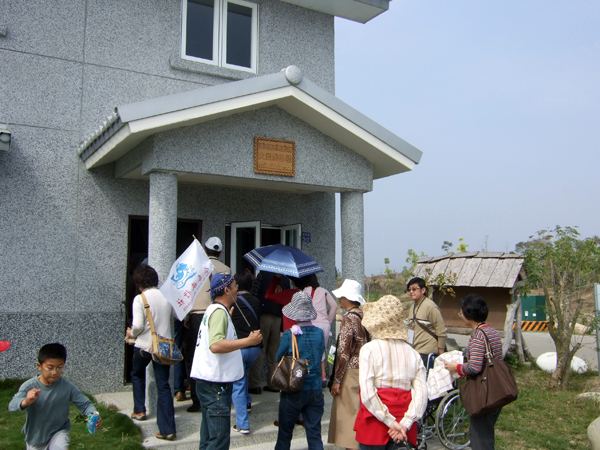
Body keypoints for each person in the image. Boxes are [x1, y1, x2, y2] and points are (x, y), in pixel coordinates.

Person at [190, 272, 262, 450]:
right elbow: (216, 345)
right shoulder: (218, 313)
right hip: (216, 386)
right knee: (218, 440)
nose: (237, 290)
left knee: (208, 438)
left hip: (208, 382)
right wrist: (249, 341)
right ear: (225, 290)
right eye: (234, 286)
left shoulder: (214, 310)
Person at [354, 295, 427, 449]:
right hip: (404, 424)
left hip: (375, 421)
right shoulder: (413, 354)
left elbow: (367, 392)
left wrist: (390, 422)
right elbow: (421, 395)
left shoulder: (369, 349)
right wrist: (404, 424)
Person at [8, 343, 102, 449]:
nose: (54, 372)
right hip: (36, 437)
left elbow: (85, 404)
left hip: (59, 431)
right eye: (50, 368)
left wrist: (93, 414)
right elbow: (12, 406)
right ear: (39, 366)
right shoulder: (29, 386)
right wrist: (26, 401)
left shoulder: (67, 386)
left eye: (59, 368)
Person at [444, 294, 503, 450]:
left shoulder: (478, 335)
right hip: (497, 389)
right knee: (486, 432)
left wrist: (456, 367)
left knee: (480, 436)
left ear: (468, 315)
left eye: (461, 312)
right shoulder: (492, 331)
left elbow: (475, 367)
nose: (460, 315)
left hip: (484, 392)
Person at [126, 264, 177, 440]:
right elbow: (177, 315)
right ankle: (167, 429)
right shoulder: (166, 296)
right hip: (163, 347)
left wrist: (130, 333)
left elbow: (138, 326)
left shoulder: (140, 299)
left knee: (137, 375)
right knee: (163, 385)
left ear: (139, 282)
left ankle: (139, 410)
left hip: (144, 347)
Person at [275, 291, 325, 450]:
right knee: (314, 434)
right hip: (316, 389)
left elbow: (279, 358)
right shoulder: (319, 332)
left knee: (284, 434)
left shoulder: (290, 334)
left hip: (293, 388)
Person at [185, 236, 230, 412]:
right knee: (215, 354)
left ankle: (197, 400)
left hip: (197, 316)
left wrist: (187, 317)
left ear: (205, 250)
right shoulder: (226, 269)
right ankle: (215, 395)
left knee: (194, 356)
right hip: (218, 313)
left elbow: (189, 292)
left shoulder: (196, 267)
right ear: (220, 252)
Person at [328, 279, 368, 450]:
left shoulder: (348, 318)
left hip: (350, 371)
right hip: (364, 367)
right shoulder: (363, 315)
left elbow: (344, 351)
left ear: (347, 297)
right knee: (358, 412)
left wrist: (337, 380)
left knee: (348, 417)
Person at [248, 271, 291, 395]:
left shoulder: (263, 274)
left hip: (263, 315)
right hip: (278, 317)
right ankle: (273, 384)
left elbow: (254, 295)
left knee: (260, 351)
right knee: (274, 353)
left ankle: (254, 385)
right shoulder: (285, 278)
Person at [231, 271, 262, 434]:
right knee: (244, 376)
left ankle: (242, 424)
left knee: (238, 384)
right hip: (254, 349)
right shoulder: (256, 301)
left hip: (239, 347)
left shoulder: (232, 302)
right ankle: (248, 402)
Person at [303, 273, 338, 386]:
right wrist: (328, 320)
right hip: (324, 325)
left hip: (311, 323)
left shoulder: (304, 291)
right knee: (322, 350)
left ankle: (316, 375)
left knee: (311, 350)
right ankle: (323, 375)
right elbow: (334, 306)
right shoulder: (324, 291)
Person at [406, 277, 447, 366]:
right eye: (409, 290)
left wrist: (441, 354)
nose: (411, 292)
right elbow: (410, 329)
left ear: (423, 290)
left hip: (427, 354)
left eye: (414, 289)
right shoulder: (412, 307)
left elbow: (441, 331)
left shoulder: (431, 307)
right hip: (415, 352)